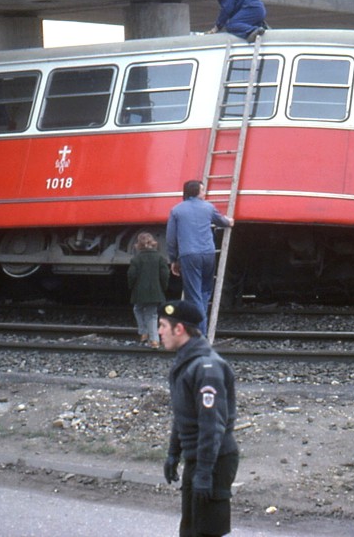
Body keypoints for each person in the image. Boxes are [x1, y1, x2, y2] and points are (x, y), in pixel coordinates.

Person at [159, 300, 239, 537]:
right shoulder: (186, 363)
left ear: (179, 329)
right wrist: (174, 453)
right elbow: (183, 416)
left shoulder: (207, 368)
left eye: (163, 326)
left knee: (206, 532)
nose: (159, 332)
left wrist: (204, 472)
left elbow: (211, 426)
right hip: (199, 458)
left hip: (215, 459)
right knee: (191, 530)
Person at [166, 180, 233, 334]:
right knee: (205, 291)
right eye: (203, 190)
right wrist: (229, 222)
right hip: (209, 254)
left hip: (189, 255)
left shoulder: (176, 210)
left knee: (193, 295)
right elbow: (222, 221)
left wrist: (173, 259)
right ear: (196, 192)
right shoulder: (208, 207)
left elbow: (171, 238)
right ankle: (201, 322)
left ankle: (199, 333)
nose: (204, 193)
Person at [127, 231, 169, 348]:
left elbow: (131, 275)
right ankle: (154, 340)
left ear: (138, 245)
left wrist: (132, 287)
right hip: (155, 292)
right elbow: (165, 275)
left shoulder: (136, 259)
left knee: (137, 309)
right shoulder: (160, 258)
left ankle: (144, 333)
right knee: (152, 315)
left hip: (139, 292)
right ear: (154, 243)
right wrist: (163, 288)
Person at [200, 0, 266, 42]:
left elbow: (226, 10)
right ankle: (260, 27)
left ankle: (254, 30)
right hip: (254, 9)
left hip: (252, 9)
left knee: (231, 25)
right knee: (236, 24)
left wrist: (217, 27)